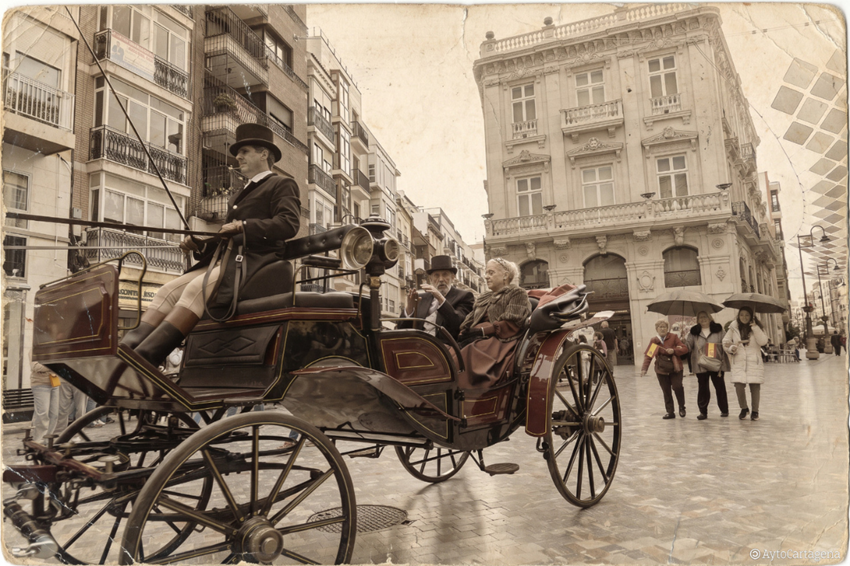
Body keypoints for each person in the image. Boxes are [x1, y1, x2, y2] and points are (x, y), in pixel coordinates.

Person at [120, 124, 301, 367]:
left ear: (264, 154)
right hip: (228, 260)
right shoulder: (238, 194)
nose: (238, 157)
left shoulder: (281, 184)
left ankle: (147, 357)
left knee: (197, 288)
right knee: (168, 291)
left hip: (256, 263)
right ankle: (127, 348)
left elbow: (288, 224)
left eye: (245, 151)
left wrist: (244, 226)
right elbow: (226, 238)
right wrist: (200, 246)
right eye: (238, 153)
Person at [455, 258, 531, 389]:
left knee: (468, 353)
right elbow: (469, 320)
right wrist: (465, 331)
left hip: (501, 340)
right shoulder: (483, 298)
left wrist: (482, 331)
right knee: (449, 352)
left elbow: (512, 323)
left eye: (491, 272)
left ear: (505, 275)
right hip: (477, 339)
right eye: (486, 273)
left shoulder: (517, 293)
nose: (486, 276)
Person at [398, 255, 474, 341]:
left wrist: (440, 298)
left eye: (445, 274)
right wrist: (409, 309)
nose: (441, 279)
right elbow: (401, 329)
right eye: (436, 275)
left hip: (445, 349)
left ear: (453, 277)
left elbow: (459, 324)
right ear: (431, 279)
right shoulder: (421, 298)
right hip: (419, 347)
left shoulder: (464, 296)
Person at [723, 306, 768, 421]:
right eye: (742, 314)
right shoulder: (733, 327)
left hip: (754, 361)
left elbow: (763, 342)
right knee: (738, 386)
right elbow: (726, 341)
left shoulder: (757, 327)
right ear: (738, 315)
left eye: (747, 315)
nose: (744, 317)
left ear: (751, 316)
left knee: (755, 386)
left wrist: (755, 328)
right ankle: (744, 408)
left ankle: (755, 411)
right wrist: (732, 348)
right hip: (738, 360)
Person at [641, 319, 689, 419]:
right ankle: (670, 412)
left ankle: (681, 407)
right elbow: (649, 355)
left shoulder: (674, 337)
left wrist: (674, 351)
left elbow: (684, 349)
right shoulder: (654, 340)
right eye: (660, 327)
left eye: (664, 327)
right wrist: (644, 368)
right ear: (656, 329)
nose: (662, 329)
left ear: (667, 328)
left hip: (675, 368)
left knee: (677, 387)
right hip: (661, 369)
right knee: (666, 391)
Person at [685, 312, 730, 420]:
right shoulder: (693, 332)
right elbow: (688, 347)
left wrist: (730, 346)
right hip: (701, 364)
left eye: (705, 316)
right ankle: (703, 412)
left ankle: (724, 410)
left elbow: (726, 343)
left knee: (720, 387)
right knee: (703, 388)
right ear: (698, 320)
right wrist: (683, 343)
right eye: (700, 317)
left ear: (710, 318)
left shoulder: (719, 331)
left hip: (716, 363)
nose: (703, 319)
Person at [30, 361, 59, 443]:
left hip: (54, 382)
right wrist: (54, 365)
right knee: (43, 413)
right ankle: (38, 439)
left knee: (54, 414)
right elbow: (35, 367)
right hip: (40, 384)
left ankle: (47, 440)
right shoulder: (34, 350)